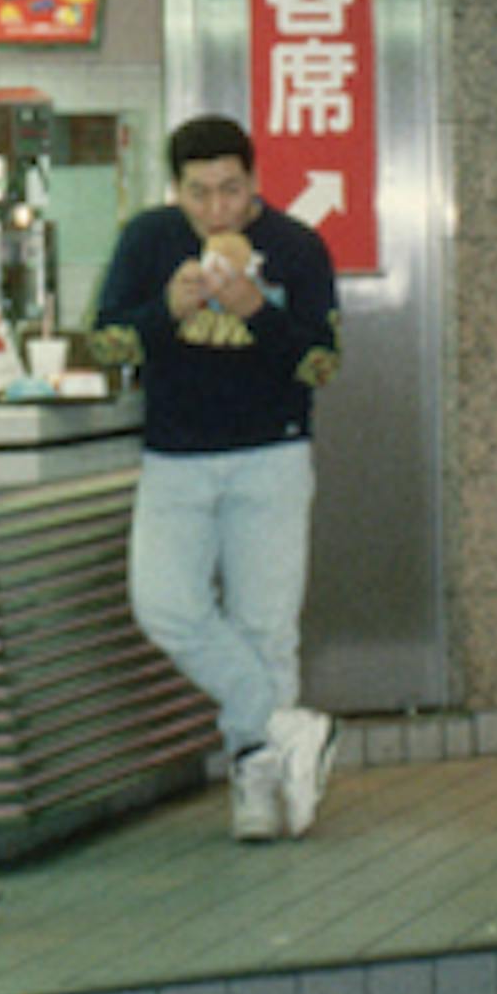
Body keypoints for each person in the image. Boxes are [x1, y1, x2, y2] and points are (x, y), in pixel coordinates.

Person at [86, 113, 342, 842]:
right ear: (177, 189)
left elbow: (324, 363)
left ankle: (259, 782)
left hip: (274, 454)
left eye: (231, 190)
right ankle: (289, 725)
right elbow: (108, 340)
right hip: (175, 456)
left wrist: (255, 311)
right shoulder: (150, 238)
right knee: (164, 605)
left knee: (267, 626)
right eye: (199, 194)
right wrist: (168, 311)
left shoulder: (296, 247)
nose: (217, 210)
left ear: (255, 180)